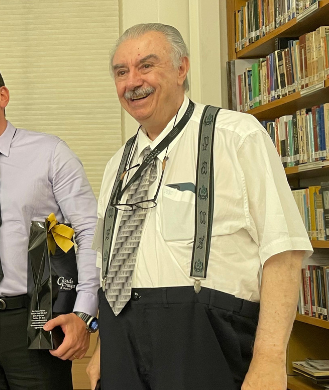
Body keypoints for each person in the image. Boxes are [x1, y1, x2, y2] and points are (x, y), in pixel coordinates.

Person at [87, 23, 311, 390]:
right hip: (122, 344)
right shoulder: (117, 165)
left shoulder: (237, 136)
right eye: (121, 72)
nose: (132, 82)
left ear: (181, 68)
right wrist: (102, 347)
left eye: (146, 65)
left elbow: (283, 252)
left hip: (208, 340)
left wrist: (270, 360)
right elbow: (109, 264)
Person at [0, 58, 99, 390]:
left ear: (2, 96)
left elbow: (88, 231)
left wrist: (84, 313)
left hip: (38, 316)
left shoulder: (51, 153)